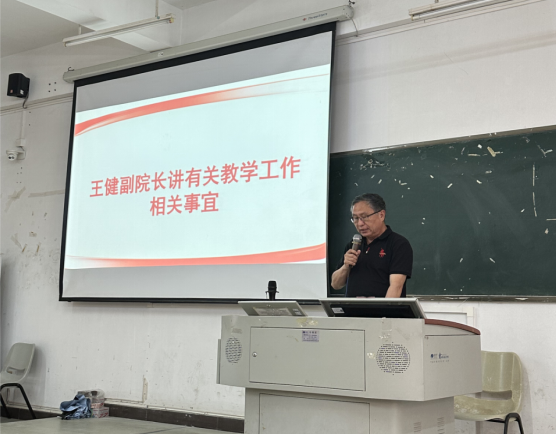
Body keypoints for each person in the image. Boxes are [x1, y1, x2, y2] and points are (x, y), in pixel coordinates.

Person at [331, 193, 413, 298]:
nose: (360, 224)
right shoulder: (354, 244)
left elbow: (396, 287)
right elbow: (335, 284)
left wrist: (385, 308)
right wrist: (346, 266)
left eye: (364, 217)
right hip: (353, 308)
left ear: (381, 215)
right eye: (355, 218)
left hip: (382, 308)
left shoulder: (398, 244)